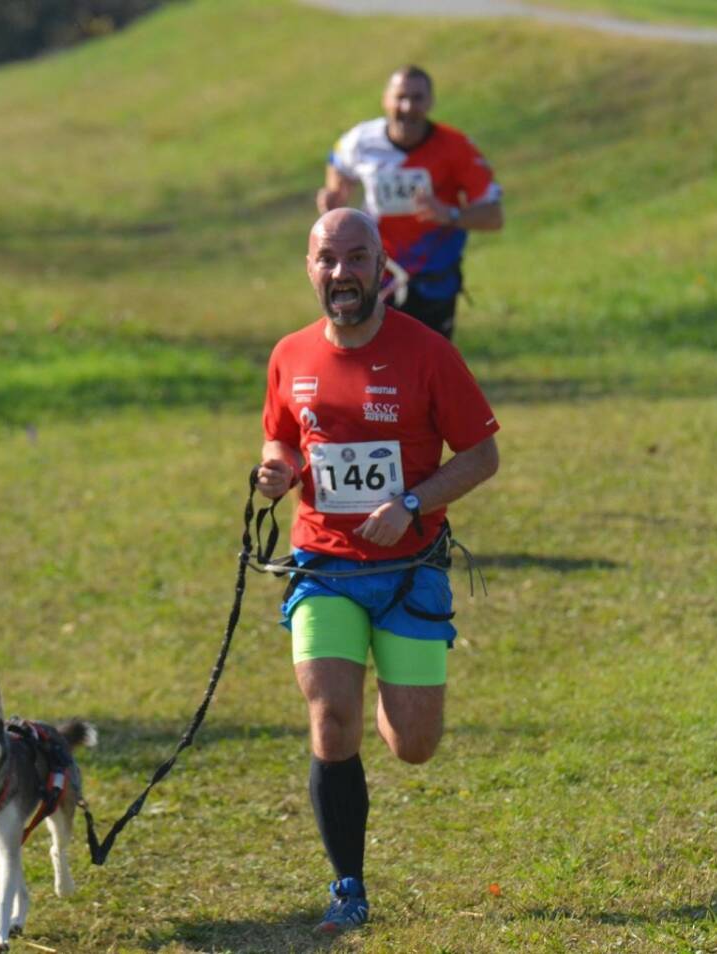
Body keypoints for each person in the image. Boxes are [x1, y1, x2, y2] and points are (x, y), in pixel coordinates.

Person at [256, 208, 500, 934]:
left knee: (414, 744)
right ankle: (348, 887)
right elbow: (282, 437)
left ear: (379, 264)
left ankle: (403, 720)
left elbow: (482, 455)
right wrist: (278, 469)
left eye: (355, 259)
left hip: (408, 570)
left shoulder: (427, 354)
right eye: (327, 260)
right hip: (322, 565)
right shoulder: (290, 354)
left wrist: (414, 501)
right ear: (309, 268)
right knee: (332, 719)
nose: (341, 274)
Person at [317, 65, 504, 340]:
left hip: (433, 280)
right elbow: (337, 163)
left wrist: (449, 214)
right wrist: (334, 193)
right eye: (400, 97)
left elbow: (494, 216)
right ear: (385, 100)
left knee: (428, 370)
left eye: (417, 98)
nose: (407, 107)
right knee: (375, 364)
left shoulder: (456, 147)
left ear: (430, 102)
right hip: (377, 275)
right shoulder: (361, 141)